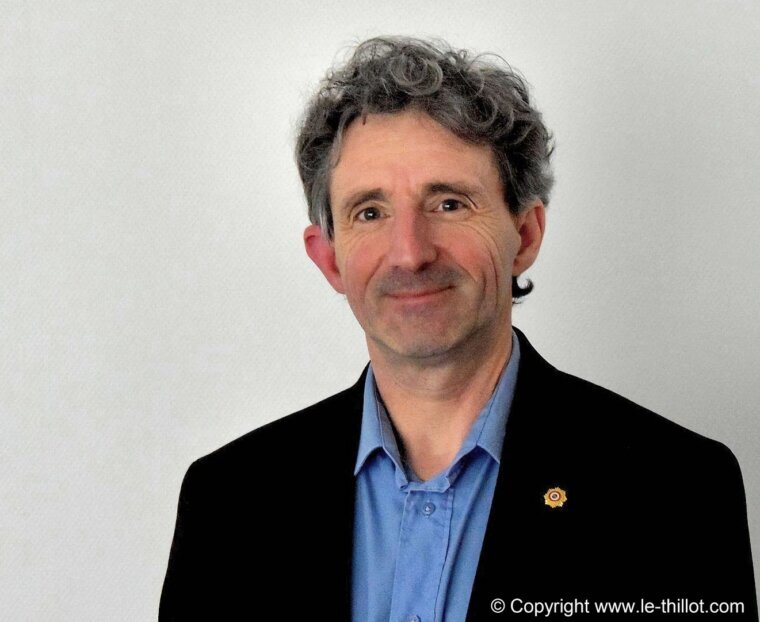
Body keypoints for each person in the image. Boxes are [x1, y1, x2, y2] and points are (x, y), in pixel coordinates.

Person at [159, 37, 757, 621]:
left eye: (448, 204)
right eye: (370, 212)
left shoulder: (676, 492)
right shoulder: (229, 501)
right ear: (330, 259)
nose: (410, 253)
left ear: (525, 235)